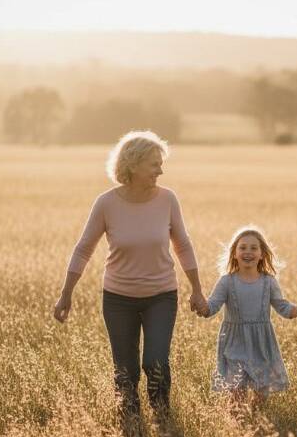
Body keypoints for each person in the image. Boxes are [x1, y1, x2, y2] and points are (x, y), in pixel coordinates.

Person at [53, 130, 206, 417]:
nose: (161, 171)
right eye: (154, 164)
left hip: (162, 296)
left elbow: (183, 245)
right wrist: (66, 294)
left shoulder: (168, 199)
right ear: (133, 165)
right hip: (118, 299)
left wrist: (197, 289)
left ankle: (162, 418)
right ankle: (130, 422)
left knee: (155, 361)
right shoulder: (106, 203)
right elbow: (83, 248)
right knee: (125, 369)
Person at [205, 227, 297, 404]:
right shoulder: (227, 281)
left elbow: (282, 306)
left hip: (261, 343)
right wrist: (201, 306)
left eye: (253, 248)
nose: (247, 252)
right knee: (236, 393)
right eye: (242, 248)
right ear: (234, 253)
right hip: (234, 342)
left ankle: (256, 424)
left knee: (261, 395)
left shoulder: (268, 281)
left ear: (262, 254)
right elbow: (212, 306)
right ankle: (236, 426)